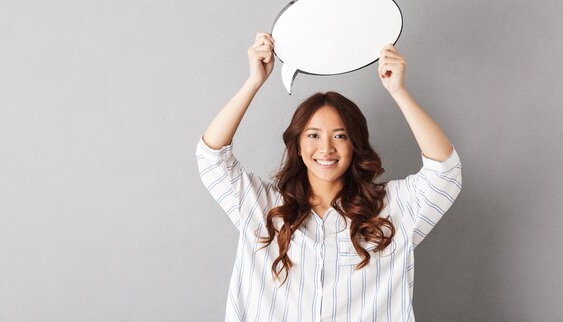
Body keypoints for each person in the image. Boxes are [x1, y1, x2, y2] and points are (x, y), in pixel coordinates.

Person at [196, 32, 462, 322]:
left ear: (355, 144)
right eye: (313, 135)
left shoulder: (392, 209)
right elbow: (212, 158)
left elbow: (444, 172)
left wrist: (399, 91)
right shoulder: (262, 208)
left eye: (340, 135)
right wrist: (253, 82)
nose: (326, 148)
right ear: (297, 145)